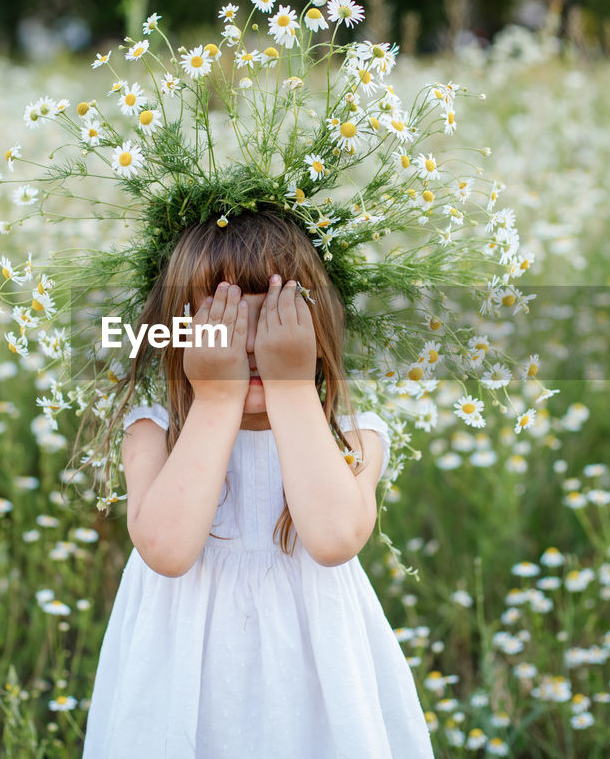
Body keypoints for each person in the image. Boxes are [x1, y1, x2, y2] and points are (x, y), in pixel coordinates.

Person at [81, 206, 435, 758]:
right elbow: (168, 550)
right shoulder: (154, 433)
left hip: (313, 683)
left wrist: (292, 388)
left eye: (276, 319)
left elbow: (335, 538)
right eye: (220, 323)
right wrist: (217, 398)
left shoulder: (354, 437)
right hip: (183, 682)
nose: (248, 343)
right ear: (178, 333)